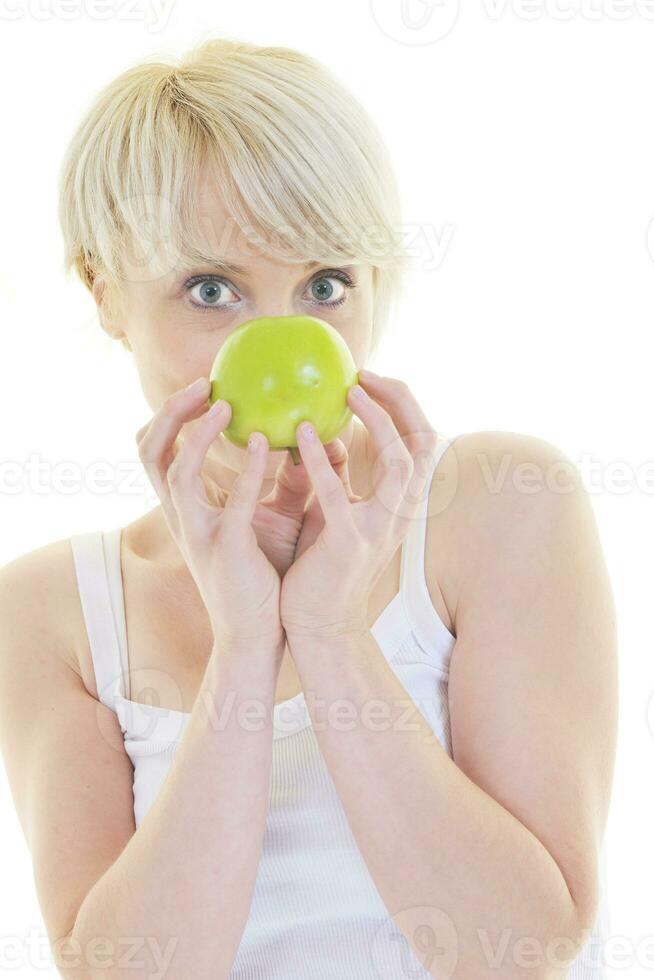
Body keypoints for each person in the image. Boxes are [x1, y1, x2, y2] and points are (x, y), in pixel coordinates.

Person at [0, 37, 617, 979]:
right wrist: (248, 646)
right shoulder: (52, 609)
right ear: (105, 296)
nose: (283, 345)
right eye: (211, 289)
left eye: (325, 285)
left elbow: (521, 949)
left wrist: (327, 634)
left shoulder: (498, 508)